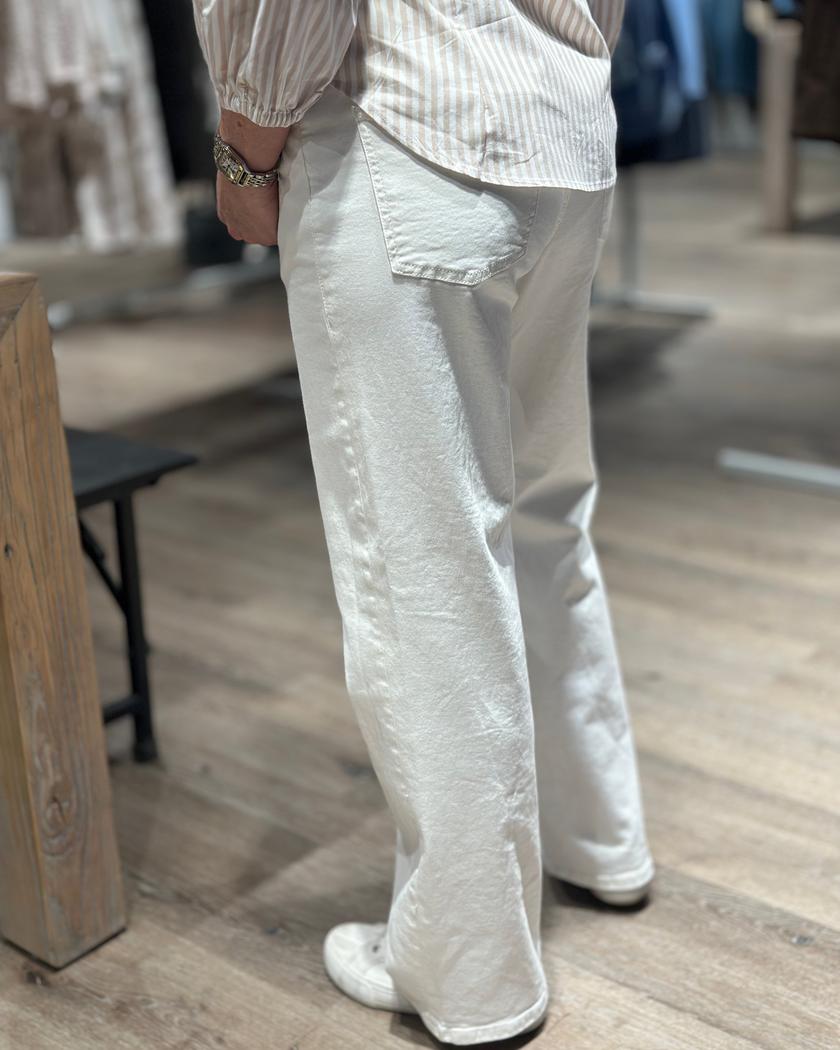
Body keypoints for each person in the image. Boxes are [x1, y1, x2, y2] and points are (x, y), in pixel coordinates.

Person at [192, 1, 655, 1044]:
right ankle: (601, 839)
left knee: (426, 563)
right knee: (545, 510)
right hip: (562, 120)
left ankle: (469, 971)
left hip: (402, 128)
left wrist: (245, 145)